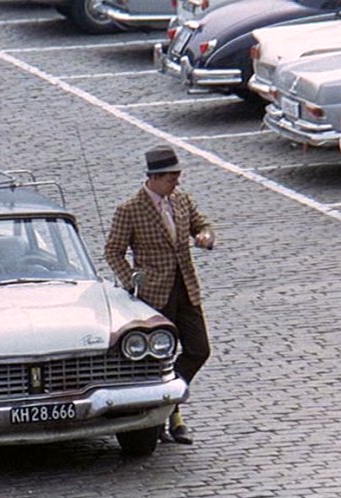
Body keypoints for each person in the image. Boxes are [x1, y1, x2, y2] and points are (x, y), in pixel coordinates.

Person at [104, 145, 215, 445]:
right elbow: (113, 251)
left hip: (186, 289)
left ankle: (171, 403)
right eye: (171, 177)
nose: (176, 182)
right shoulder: (130, 209)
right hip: (154, 296)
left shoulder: (181, 200)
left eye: (178, 176)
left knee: (198, 349)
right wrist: (131, 280)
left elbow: (200, 223)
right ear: (153, 177)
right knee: (158, 360)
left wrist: (204, 235)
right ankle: (171, 416)